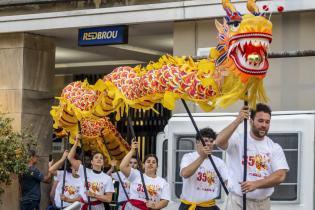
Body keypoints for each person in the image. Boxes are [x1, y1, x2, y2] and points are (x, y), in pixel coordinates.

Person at [215, 103, 289, 210]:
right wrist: (238, 120)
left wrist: (256, 184)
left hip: (263, 204)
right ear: (251, 121)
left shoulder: (274, 147)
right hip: (237, 202)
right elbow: (218, 142)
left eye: (267, 122)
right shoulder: (238, 140)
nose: (264, 125)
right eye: (260, 120)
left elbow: (280, 175)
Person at [179, 127, 228, 210]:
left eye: (211, 141)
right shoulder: (188, 157)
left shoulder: (219, 162)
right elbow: (185, 174)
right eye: (205, 141)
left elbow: (228, 181)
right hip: (189, 206)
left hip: (210, 206)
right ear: (197, 142)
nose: (209, 143)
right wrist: (202, 157)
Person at [120, 140, 171, 210]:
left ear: (157, 166)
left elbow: (165, 201)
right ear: (143, 165)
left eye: (153, 162)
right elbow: (122, 167)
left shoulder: (163, 182)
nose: (150, 163)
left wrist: (155, 206)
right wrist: (132, 151)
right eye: (148, 161)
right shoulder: (136, 175)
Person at [68, 135, 115, 210]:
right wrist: (76, 142)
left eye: (101, 158)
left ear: (103, 163)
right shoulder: (85, 172)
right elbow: (70, 157)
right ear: (92, 162)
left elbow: (108, 199)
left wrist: (94, 195)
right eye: (96, 157)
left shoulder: (107, 178)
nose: (99, 159)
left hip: (98, 207)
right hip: (84, 206)